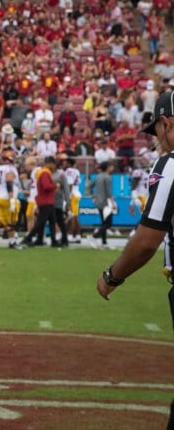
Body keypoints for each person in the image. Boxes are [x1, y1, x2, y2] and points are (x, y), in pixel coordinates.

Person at [96, 90, 174, 430]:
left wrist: (112, 275)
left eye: (156, 130)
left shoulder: (170, 165)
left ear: (166, 123)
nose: (157, 139)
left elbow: (146, 240)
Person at [19, 156, 58, 248]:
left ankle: (50, 240)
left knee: (51, 221)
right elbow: (46, 186)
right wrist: (55, 186)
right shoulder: (44, 172)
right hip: (45, 199)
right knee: (41, 221)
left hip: (44, 199)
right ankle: (29, 237)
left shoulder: (39, 171)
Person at [88, 161, 116, 249]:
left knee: (103, 223)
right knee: (108, 224)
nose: (112, 168)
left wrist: (93, 196)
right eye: (111, 166)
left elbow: (89, 186)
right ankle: (93, 236)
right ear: (107, 167)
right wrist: (113, 203)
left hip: (99, 202)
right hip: (106, 203)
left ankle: (104, 242)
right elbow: (108, 192)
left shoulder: (98, 176)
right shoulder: (108, 177)